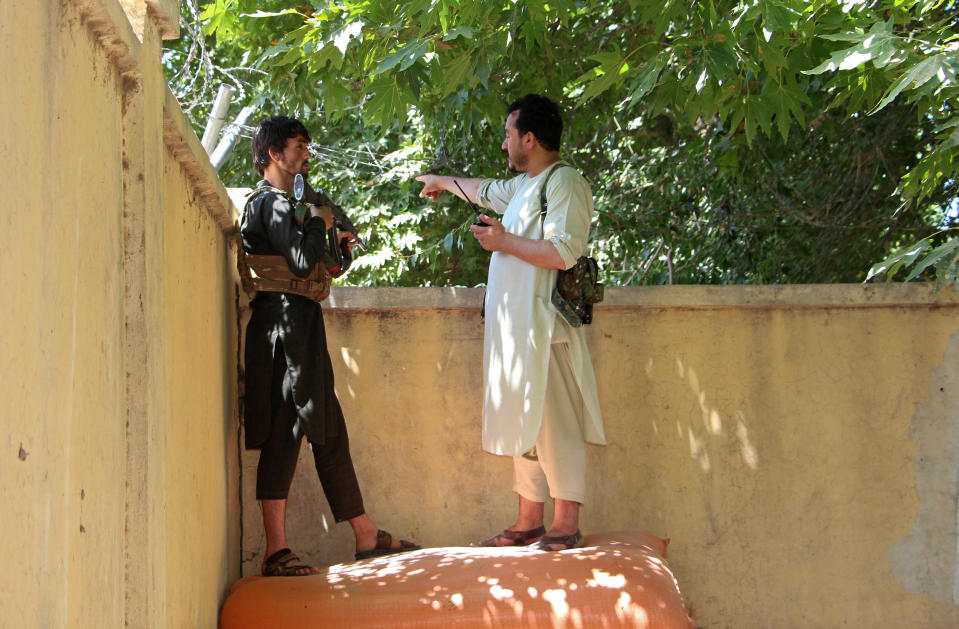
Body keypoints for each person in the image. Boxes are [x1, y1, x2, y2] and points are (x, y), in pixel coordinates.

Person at [416, 94, 606, 551]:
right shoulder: (523, 187)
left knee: (556, 422)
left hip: (547, 328)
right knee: (524, 423)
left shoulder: (565, 183)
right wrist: (442, 180)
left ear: (530, 138)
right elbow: (483, 189)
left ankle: (565, 523)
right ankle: (528, 521)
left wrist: (503, 241)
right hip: (516, 330)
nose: (504, 144)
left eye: (508, 135)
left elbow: (564, 252)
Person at [241, 116, 418, 575]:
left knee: (329, 427)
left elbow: (321, 266)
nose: (306, 155)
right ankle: (275, 552)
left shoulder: (294, 205)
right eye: (300, 146)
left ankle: (365, 534)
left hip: (302, 322)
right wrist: (320, 225)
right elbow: (300, 261)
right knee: (286, 428)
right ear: (275, 154)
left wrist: (338, 243)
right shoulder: (268, 205)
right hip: (279, 326)